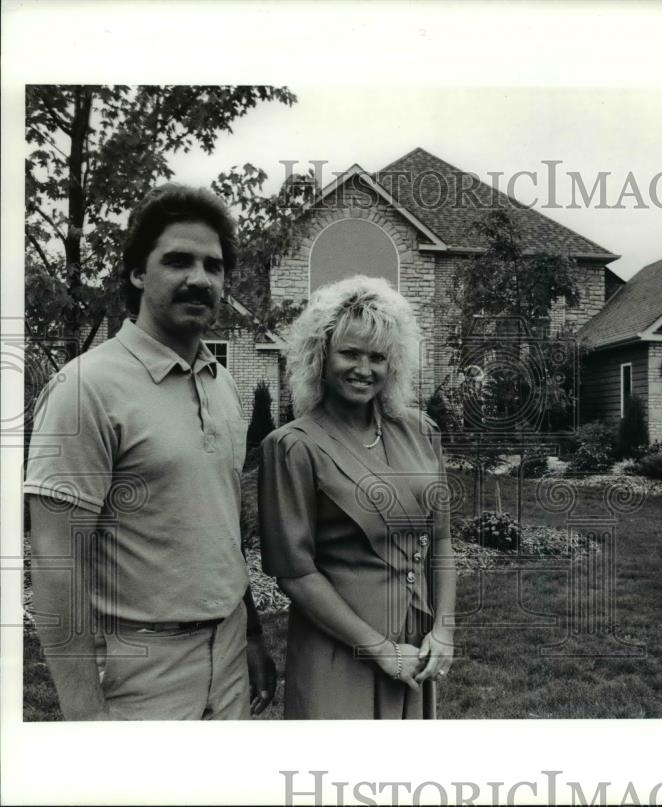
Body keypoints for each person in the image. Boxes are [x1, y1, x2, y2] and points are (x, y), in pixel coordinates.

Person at [25, 183, 276, 720]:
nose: (199, 279)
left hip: (229, 657)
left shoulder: (223, 384)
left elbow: (222, 527)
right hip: (141, 673)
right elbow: (55, 564)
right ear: (138, 273)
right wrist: (85, 717)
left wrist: (251, 632)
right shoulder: (85, 388)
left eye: (213, 265)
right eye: (178, 261)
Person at [258, 275, 456, 719]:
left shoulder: (422, 431)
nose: (363, 369)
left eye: (377, 357)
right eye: (349, 353)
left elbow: (441, 541)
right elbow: (295, 573)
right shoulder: (292, 447)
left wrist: (443, 630)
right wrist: (381, 650)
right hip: (338, 650)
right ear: (320, 356)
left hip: (415, 649)